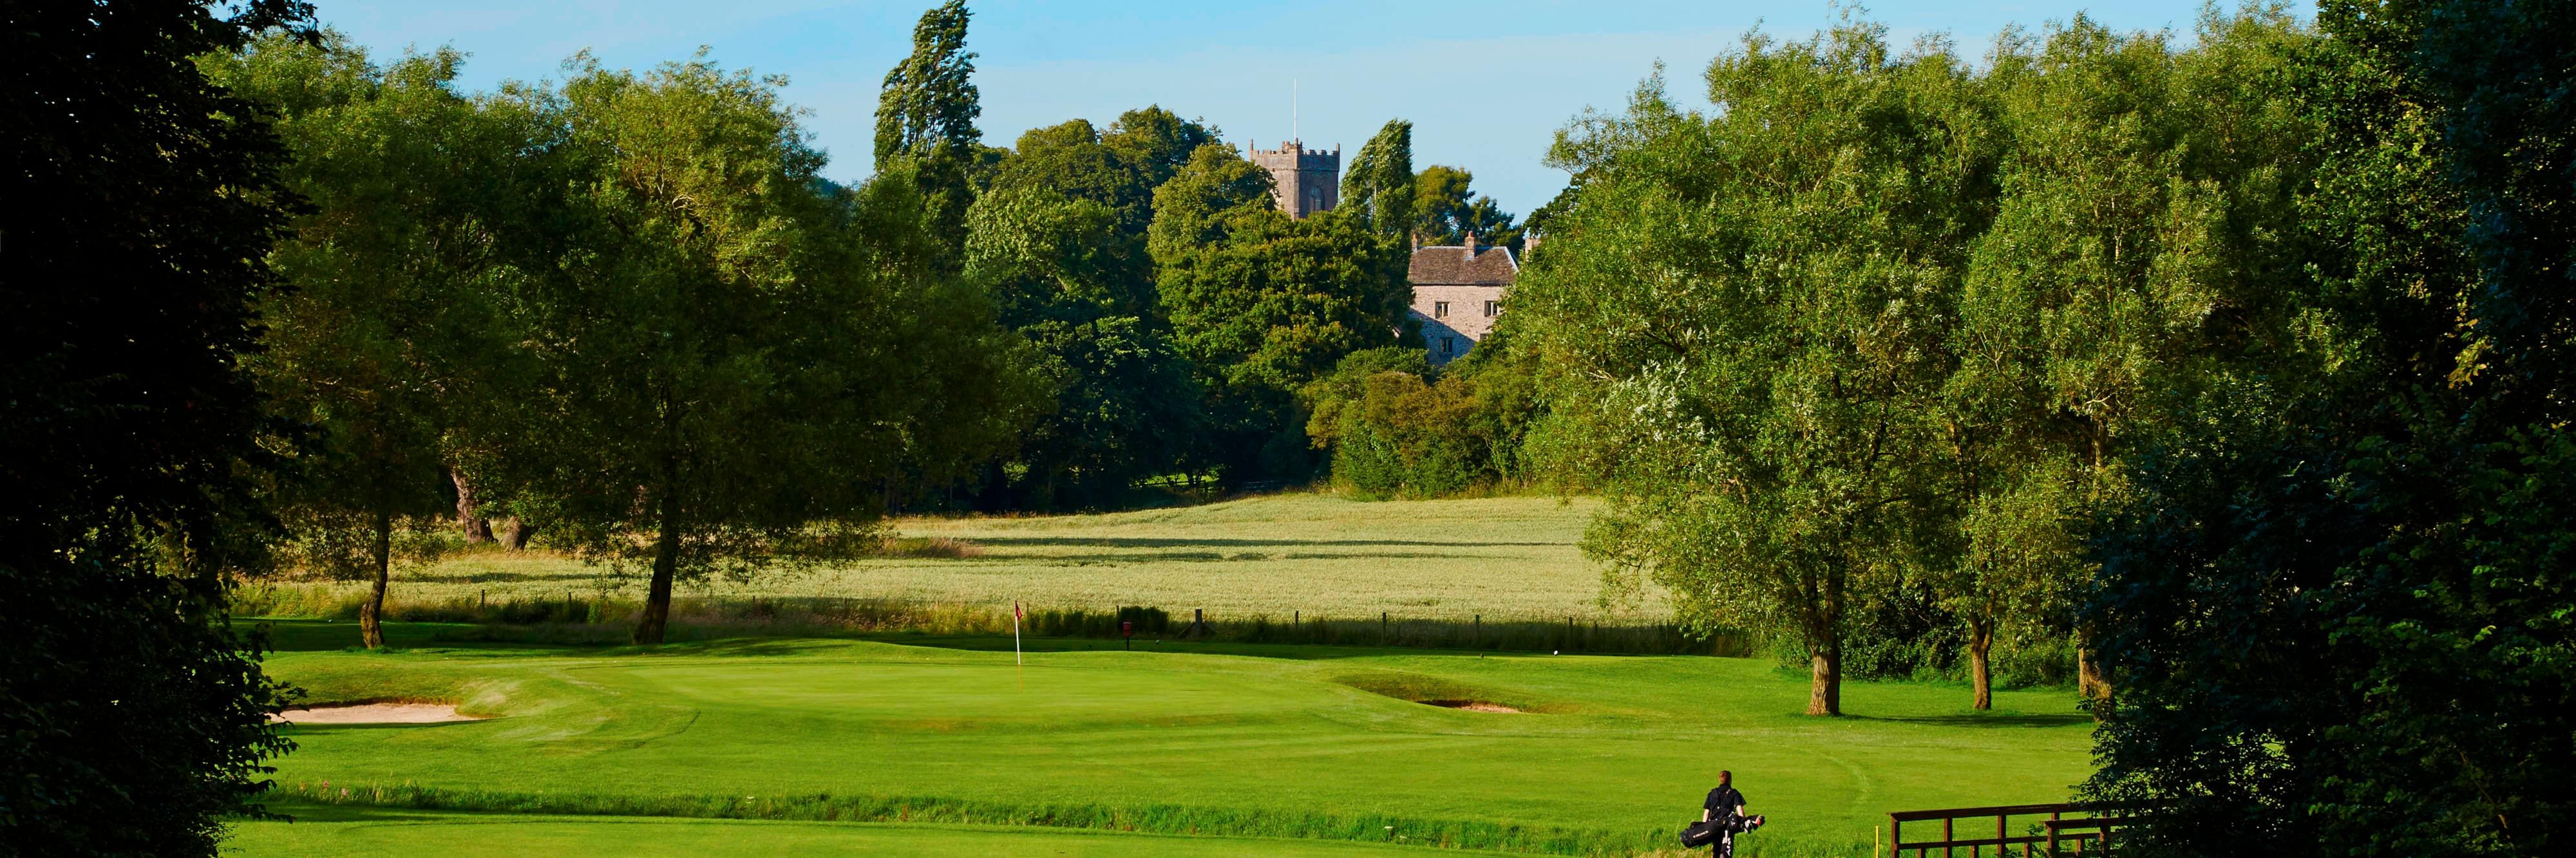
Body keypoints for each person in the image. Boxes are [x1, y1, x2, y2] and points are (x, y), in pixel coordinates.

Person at [1701, 770, 1752, 856]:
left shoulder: (1712, 794)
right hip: (1727, 826)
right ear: (1730, 780)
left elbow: (1707, 813)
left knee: (1716, 851)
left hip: (1714, 826)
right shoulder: (1734, 793)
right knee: (1726, 852)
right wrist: (1743, 822)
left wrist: (1704, 828)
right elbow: (1740, 810)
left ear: (1719, 780)